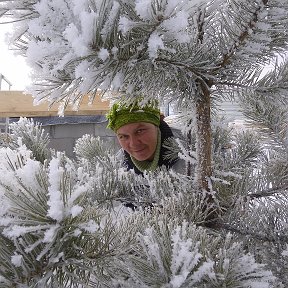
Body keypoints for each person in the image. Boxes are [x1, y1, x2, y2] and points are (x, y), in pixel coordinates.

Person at [106, 99, 184, 175]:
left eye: (140, 131)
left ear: (157, 126)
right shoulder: (118, 166)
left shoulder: (189, 157)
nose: (133, 144)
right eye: (124, 136)